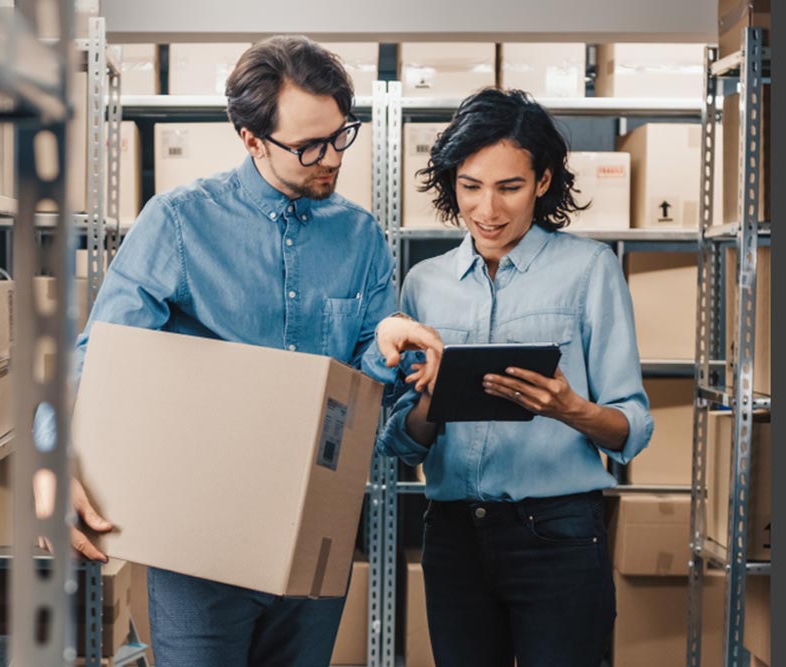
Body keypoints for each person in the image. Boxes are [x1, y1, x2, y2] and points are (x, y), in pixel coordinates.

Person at [33, 35, 442, 667]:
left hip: (314, 535)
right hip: (200, 544)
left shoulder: (360, 237)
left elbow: (366, 395)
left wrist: (385, 350)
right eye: (308, 145)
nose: (331, 158)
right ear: (250, 139)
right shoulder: (177, 223)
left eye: (340, 135)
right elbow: (98, 358)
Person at [376, 88, 654, 667]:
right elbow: (402, 443)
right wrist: (429, 399)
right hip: (452, 536)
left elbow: (632, 428)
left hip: (557, 533)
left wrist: (567, 408)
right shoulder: (424, 284)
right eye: (470, 186)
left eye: (509, 187)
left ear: (544, 181)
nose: (488, 211)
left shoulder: (589, 270)